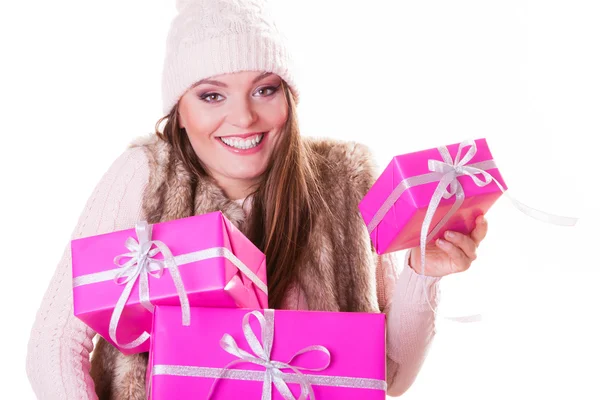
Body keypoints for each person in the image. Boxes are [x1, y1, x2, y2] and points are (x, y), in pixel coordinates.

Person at [25, 0, 488, 398]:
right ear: (179, 112)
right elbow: (54, 343)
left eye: (264, 90)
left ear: (290, 98)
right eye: (211, 95)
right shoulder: (146, 175)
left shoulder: (348, 183)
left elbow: (391, 374)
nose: (243, 117)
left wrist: (422, 274)